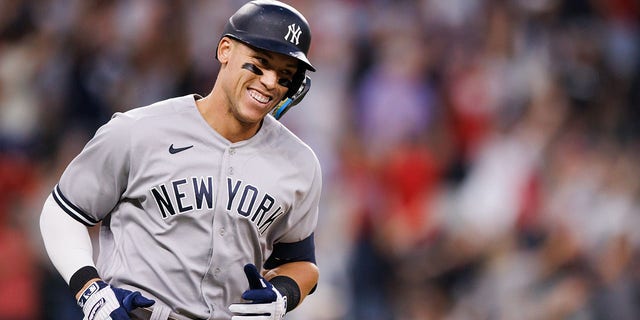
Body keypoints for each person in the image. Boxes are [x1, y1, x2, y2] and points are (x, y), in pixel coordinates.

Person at [39, 1, 321, 319]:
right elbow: (61, 214)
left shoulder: (299, 163)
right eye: (259, 63)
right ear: (225, 50)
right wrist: (90, 290)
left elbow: (301, 262)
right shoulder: (139, 130)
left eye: (285, 75)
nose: (270, 82)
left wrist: (282, 295)